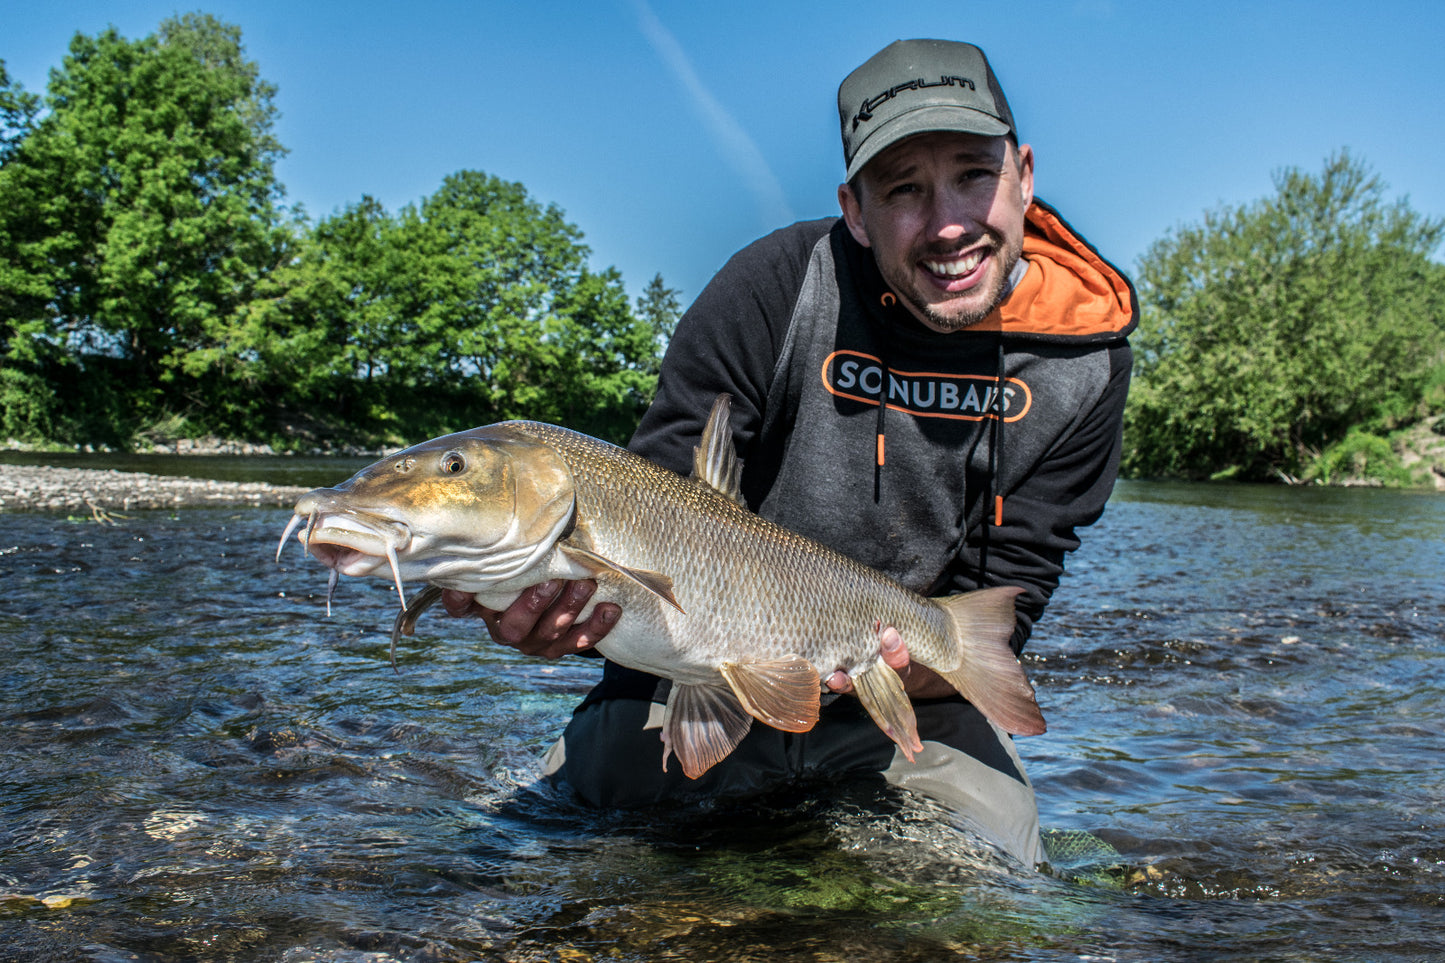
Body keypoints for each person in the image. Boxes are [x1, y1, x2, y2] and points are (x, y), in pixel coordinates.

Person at [444, 38, 1136, 867]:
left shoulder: (1084, 360)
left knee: (981, 891)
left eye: (972, 174)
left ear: (1023, 175)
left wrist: (880, 668)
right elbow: (650, 505)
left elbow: (1008, 602)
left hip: (902, 701)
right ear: (853, 207)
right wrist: (564, 618)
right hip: (685, 673)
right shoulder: (772, 286)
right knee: (530, 869)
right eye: (904, 189)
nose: (948, 222)